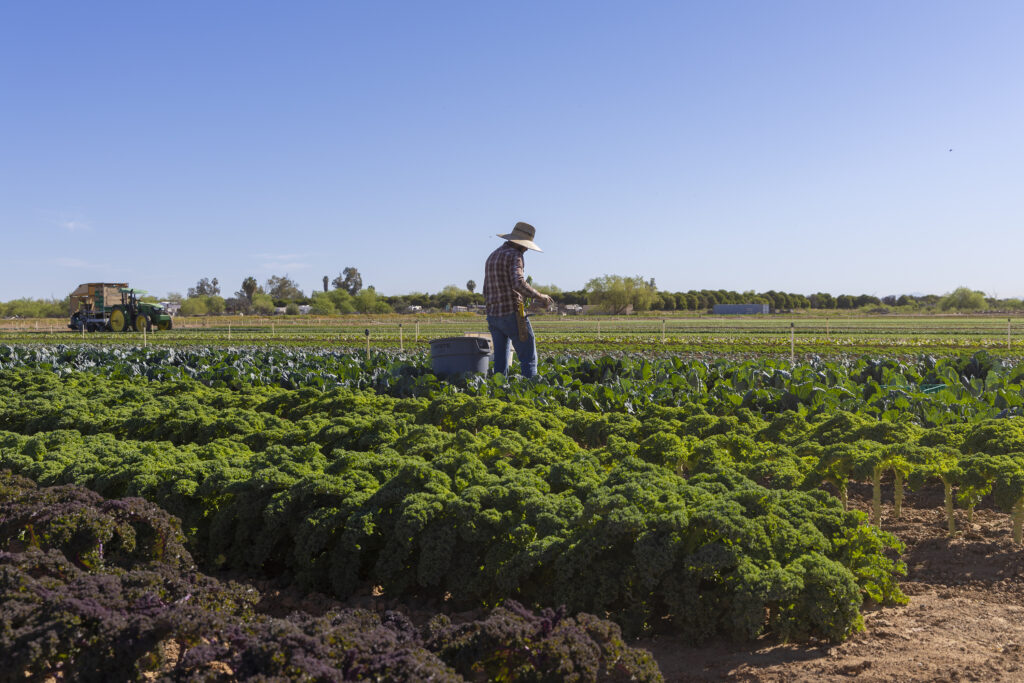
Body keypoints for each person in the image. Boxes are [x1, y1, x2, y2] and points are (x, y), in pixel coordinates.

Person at [483, 221, 554, 378]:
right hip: (511, 316)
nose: (527, 249)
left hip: (493, 316)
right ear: (522, 244)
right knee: (529, 358)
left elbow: (488, 288)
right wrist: (540, 296)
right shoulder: (515, 255)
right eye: (527, 246)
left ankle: (499, 392)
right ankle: (529, 393)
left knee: (500, 360)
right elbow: (518, 283)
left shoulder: (493, 255)